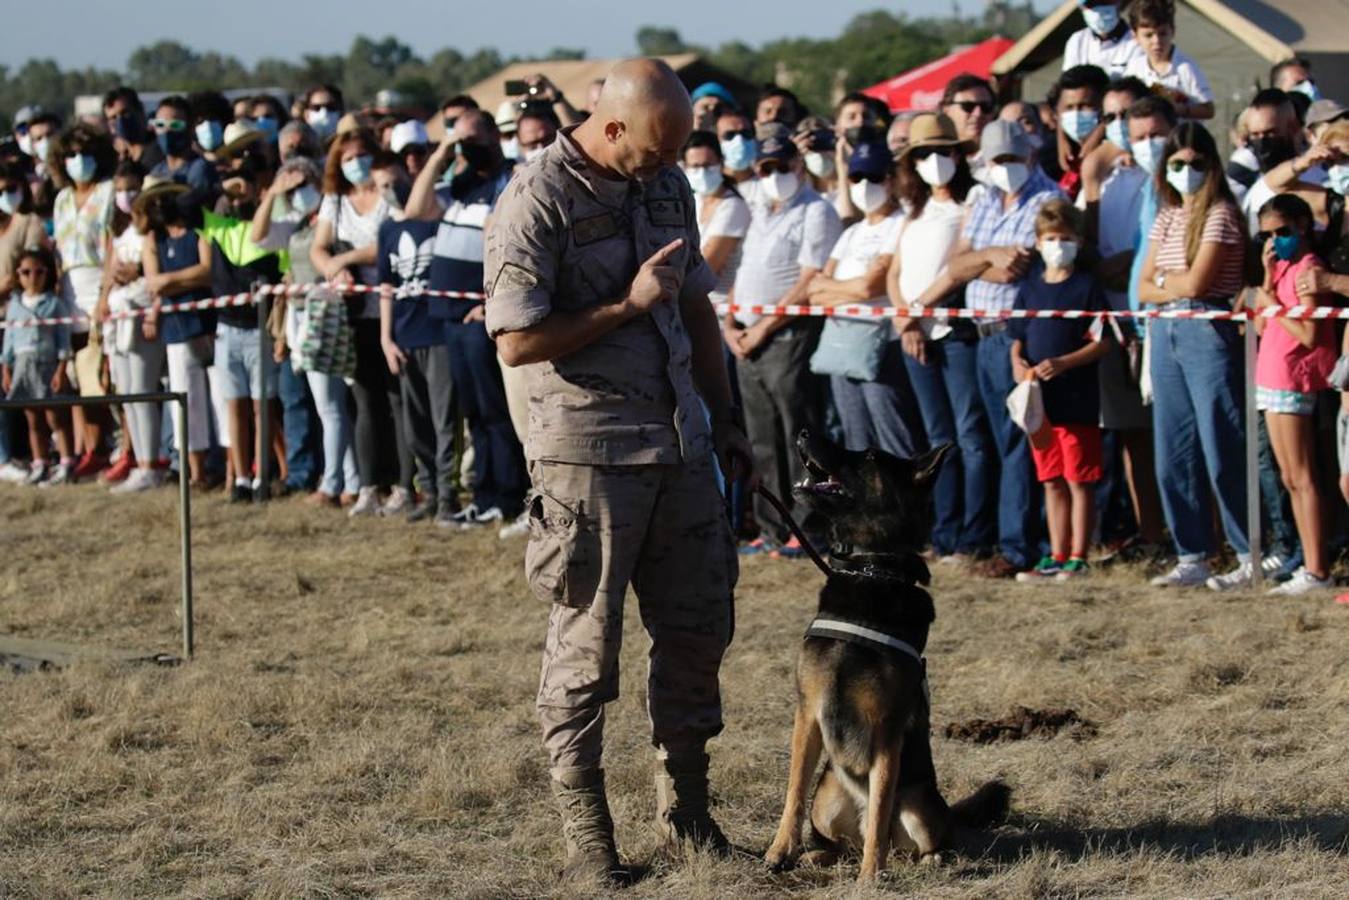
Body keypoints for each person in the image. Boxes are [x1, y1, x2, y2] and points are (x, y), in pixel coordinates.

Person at [484, 58, 751, 884]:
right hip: (586, 452)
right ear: (607, 127)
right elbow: (517, 340)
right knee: (584, 651)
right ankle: (587, 835)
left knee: (698, 630)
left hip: (679, 445)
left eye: (676, 154)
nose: (666, 169)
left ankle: (688, 811)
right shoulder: (536, 200)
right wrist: (625, 307)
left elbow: (696, 305)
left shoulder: (663, 183)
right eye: (651, 152)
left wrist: (728, 418)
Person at [930, 120, 1065, 578]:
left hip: (1018, 333)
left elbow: (1018, 272)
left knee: (1017, 443)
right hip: (982, 334)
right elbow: (957, 262)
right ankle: (997, 538)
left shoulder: (1049, 199)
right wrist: (991, 256)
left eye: (1012, 158)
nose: (1005, 168)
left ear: (1029, 155)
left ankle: (1018, 547)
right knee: (990, 441)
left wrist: (976, 263)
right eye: (997, 160)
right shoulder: (983, 195)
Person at [1137, 122, 1251, 591]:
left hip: (1208, 327)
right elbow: (1143, 286)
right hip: (1165, 331)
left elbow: (1199, 284)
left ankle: (1248, 552)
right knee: (1172, 451)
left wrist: (1166, 284)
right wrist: (1169, 285)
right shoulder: (1166, 216)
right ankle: (1192, 553)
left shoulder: (1221, 212)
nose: (1186, 172)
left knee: (1222, 445)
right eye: (1178, 164)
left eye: (1196, 163)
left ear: (1212, 165)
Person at [408, 108, 529, 533]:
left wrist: (491, 301)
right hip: (449, 316)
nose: (470, 149)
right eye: (464, 143)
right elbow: (415, 208)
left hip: (483, 314)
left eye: (477, 140)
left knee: (495, 411)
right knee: (473, 412)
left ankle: (507, 493)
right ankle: (483, 495)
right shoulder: (460, 185)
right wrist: (443, 151)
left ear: (496, 137)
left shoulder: (509, 179)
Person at [725, 132, 841, 557]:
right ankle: (772, 527)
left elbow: (809, 280)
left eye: (782, 167)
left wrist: (764, 327)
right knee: (760, 440)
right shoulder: (757, 210)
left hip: (788, 335)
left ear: (798, 166)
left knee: (799, 435)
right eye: (765, 169)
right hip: (748, 336)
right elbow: (743, 269)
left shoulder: (817, 211)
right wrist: (731, 322)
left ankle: (809, 528)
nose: (774, 175)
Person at [890, 113, 996, 564]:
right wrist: (904, 321)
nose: (935, 161)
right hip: (914, 335)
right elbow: (895, 272)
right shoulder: (913, 210)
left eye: (943, 151)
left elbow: (958, 268)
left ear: (959, 154)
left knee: (969, 437)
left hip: (954, 334)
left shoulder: (973, 201)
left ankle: (974, 536)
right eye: (925, 154)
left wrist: (917, 314)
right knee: (936, 441)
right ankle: (945, 532)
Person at [1078, 79, 1168, 557]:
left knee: (1171, 434)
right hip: (1114, 323)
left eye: (1125, 115)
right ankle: (1151, 534)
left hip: (1156, 318)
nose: (1119, 127)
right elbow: (1084, 243)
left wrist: (1134, 258)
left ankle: (1199, 538)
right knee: (1132, 435)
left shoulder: (1161, 174)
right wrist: (1090, 179)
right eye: (1109, 117)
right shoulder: (1104, 178)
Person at [311, 127, 411, 518]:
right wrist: (334, 270)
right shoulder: (335, 201)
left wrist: (348, 259)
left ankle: (405, 485)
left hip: (393, 310)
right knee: (366, 401)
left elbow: (390, 242)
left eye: (361, 155)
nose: (356, 164)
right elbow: (320, 248)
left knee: (398, 399)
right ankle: (370, 485)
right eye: (347, 158)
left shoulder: (389, 193)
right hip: (353, 315)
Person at [1010, 201, 1111, 580]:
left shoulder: (1086, 287)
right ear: (1038, 242)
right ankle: (1055, 552)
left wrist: (1066, 362)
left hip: (1077, 399)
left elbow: (1103, 342)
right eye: (1050, 238)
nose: (1057, 245)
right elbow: (1016, 339)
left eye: (1065, 239)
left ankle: (1078, 556)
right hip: (1039, 405)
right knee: (1050, 479)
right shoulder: (1029, 287)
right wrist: (1017, 364)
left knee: (1078, 479)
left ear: (1078, 241)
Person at [807, 141, 925, 459]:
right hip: (841, 345)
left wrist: (841, 289)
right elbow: (814, 291)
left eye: (874, 177)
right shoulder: (851, 233)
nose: (864, 185)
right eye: (857, 177)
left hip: (881, 345)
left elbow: (871, 286)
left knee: (893, 441)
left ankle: (903, 508)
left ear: (891, 179)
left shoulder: (901, 223)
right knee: (855, 441)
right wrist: (854, 288)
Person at [253, 157, 359, 508]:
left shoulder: (333, 222)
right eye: (293, 190)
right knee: (327, 406)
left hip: (328, 316)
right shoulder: (297, 226)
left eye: (304, 186)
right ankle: (348, 479)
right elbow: (259, 236)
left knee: (332, 406)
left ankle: (335, 484)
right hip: (301, 318)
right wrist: (274, 192)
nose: (299, 194)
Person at [1251, 194, 1338, 595]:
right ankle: (1308, 561)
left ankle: (1318, 568)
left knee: (1303, 476)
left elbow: (1308, 332)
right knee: (1288, 476)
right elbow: (1261, 328)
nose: (1275, 240)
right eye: (1267, 234)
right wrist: (1268, 280)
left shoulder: (1309, 268)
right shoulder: (1283, 267)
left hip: (1293, 377)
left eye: (1282, 231)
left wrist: (1271, 303)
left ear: (1302, 225)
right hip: (1271, 375)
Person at [376, 156, 458, 525]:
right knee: (416, 424)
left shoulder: (438, 218)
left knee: (444, 420)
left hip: (438, 333)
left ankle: (448, 494)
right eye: (382, 186)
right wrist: (386, 339)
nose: (391, 191)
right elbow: (386, 288)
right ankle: (427, 490)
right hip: (405, 338)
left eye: (395, 181)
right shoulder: (386, 231)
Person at [51, 123, 118, 478]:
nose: (79, 161)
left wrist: (106, 294)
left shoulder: (107, 192)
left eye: (85, 153)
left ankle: (122, 444)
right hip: (69, 294)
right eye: (72, 155)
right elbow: (59, 254)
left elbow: (111, 246)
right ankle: (93, 448)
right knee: (79, 374)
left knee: (106, 372)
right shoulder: (61, 199)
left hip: (97, 287)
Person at [94, 161, 162, 492]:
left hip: (140, 318)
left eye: (131, 188)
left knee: (143, 392)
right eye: (119, 190)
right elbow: (108, 275)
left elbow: (151, 276)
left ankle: (151, 462)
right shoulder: (118, 234)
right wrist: (105, 297)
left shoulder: (151, 232)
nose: (125, 196)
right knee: (128, 395)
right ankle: (137, 459)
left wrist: (135, 273)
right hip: (117, 322)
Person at [140, 184, 213, 487]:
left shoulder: (200, 231)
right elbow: (153, 283)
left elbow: (207, 271)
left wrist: (170, 281)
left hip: (207, 325)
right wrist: (178, 281)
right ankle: (195, 472)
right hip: (176, 330)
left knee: (218, 400)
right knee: (186, 401)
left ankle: (230, 469)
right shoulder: (154, 239)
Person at [2, 246, 74, 485]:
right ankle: (39, 462)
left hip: (47, 364)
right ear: (18, 275)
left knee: (55, 417)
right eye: (26, 272)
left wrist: (61, 368)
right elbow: (9, 341)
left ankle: (65, 462)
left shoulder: (54, 304)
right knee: (33, 419)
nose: (32, 277)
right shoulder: (14, 306)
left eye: (38, 272)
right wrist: (6, 368)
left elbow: (63, 338)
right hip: (23, 366)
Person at [682, 131, 750, 304]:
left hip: (720, 305)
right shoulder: (694, 201)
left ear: (720, 163)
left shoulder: (733, 206)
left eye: (707, 165)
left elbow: (708, 266)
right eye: (695, 166)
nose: (702, 172)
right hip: (693, 302)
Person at [1123, 0, 1214, 121]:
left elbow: (1208, 110)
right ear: (1135, 37)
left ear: (1173, 31)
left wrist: (1180, 109)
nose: (1157, 41)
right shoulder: (1134, 68)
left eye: (1162, 34)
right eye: (1148, 35)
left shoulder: (1185, 68)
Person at [1240, 90, 1316, 231]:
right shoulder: (1256, 190)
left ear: (1293, 128)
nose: (1262, 141)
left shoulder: (1319, 178)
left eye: (1270, 133)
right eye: (1255, 134)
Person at [1050, 65, 1109, 198]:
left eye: (1085, 106)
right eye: (1069, 107)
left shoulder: (1115, 159)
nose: (1076, 114)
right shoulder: (1052, 159)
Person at [149, 95, 220, 202]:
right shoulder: (157, 171)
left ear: (190, 128)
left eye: (175, 125)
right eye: (160, 124)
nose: (167, 131)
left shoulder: (200, 170)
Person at [1064, 0, 1145, 78]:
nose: (1099, 10)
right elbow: (1068, 84)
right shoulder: (1076, 41)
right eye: (1092, 4)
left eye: (1104, 1)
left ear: (1119, 2)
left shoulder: (1138, 42)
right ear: (1081, 8)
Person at [103, 87, 163, 170]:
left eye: (125, 113)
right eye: (113, 118)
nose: (120, 121)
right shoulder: (115, 159)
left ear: (140, 110)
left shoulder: (161, 148)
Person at [940, 74, 997, 150]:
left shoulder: (1009, 157)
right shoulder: (935, 158)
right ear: (946, 111)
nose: (978, 114)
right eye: (968, 106)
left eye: (985, 106)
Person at [716, 108, 757, 184]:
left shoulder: (770, 183)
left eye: (745, 133)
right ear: (718, 139)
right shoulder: (708, 189)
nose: (739, 140)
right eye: (729, 135)